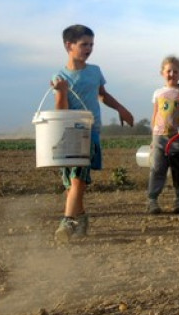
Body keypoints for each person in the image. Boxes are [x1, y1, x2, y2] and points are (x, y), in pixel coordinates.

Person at [51, 24, 134, 242]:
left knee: (79, 179)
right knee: (72, 183)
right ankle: (82, 218)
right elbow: (61, 111)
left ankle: (67, 221)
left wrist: (121, 109)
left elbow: (102, 95)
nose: (89, 48)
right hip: (69, 133)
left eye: (91, 44)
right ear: (69, 46)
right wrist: (61, 92)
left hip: (90, 132)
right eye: (84, 44)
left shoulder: (95, 71)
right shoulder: (60, 77)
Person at [147, 56, 179, 215]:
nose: (171, 74)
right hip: (159, 136)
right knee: (157, 168)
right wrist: (152, 135)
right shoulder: (158, 92)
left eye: (175, 71)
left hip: (178, 137)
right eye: (168, 71)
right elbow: (155, 114)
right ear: (162, 73)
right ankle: (152, 200)